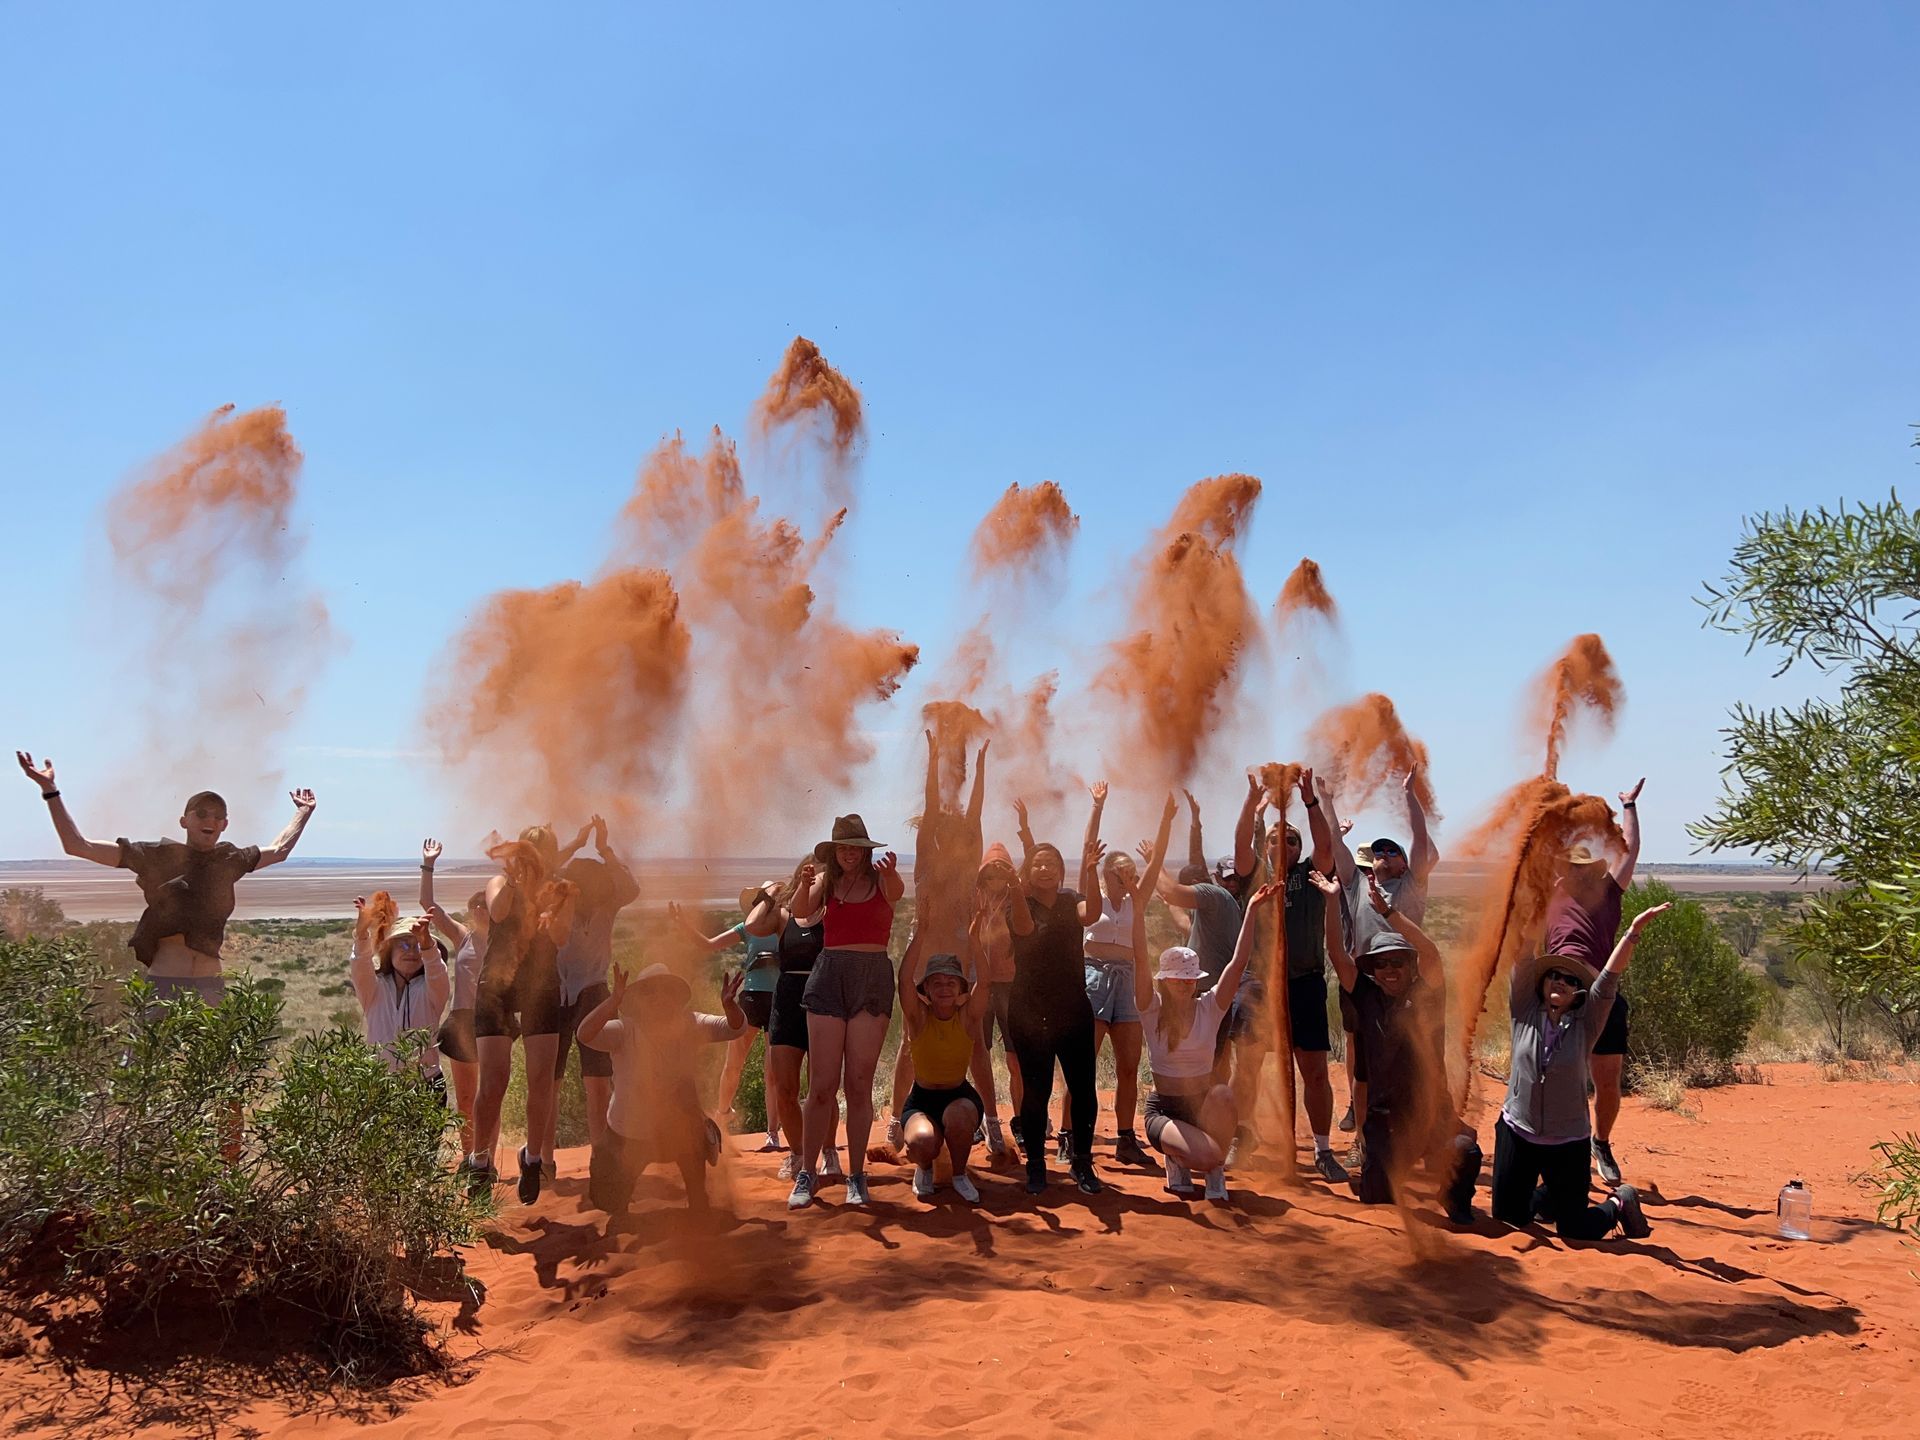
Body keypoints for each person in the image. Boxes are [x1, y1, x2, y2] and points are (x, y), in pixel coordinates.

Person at [16, 752, 316, 1001]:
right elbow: (77, 846)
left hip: (212, 987)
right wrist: (50, 790)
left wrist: (304, 812)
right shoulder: (155, 855)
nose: (209, 820)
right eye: (201, 813)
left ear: (225, 824)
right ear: (184, 820)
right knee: (142, 1067)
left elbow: (279, 849)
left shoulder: (229, 859)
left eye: (217, 815)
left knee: (220, 1068)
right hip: (164, 986)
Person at [1491, 901, 1670, 1241]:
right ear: (1543, 982)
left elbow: (1608, 981)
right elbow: (1523, 956)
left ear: (1578, 992)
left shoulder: (1586, 1025)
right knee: (1509, 1216)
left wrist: (1632, 933)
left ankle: (1619, 1203)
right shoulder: (1524, 1010)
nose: (1559, 981)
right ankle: (1548, 1198)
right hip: (1519, 1132)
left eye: (1570, 979)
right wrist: (1534, 912)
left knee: (1574, 1230)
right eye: (1554, 975)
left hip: (1567, 1140)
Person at [1132, 796, 1281, 1202]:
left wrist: (1251, 909)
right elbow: (1144, 953)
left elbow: (1237, 962)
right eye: (1176, 980)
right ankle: (1185, 1156)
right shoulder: (1154, 1011)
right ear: (1166, 982)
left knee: (1222, 1093)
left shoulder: (1208, 1006)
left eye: (1187, 980)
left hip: (1201, 1100)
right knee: (1207, 1150)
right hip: (1165, 1105)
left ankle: (1208, 1162)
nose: (1182, 985)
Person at [1312, 868, 1482, 1224]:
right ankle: (1383, 1172)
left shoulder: (1428, 996)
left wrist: (1390, 915)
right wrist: (1331, 902)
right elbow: (1337, 954)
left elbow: (1432, 953)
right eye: (1382, 963)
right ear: (1373, 969)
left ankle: (1454, 1199)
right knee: (1377, 1198)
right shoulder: (1367, 995)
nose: (1389, 969)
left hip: (1430, 1117)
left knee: (1464, 1153)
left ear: (1410, 966)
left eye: (1398, 962)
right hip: (1384, 1122)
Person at [1223, 768, 1348, 1181]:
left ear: (1298, 848)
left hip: (1305, 983)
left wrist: (1310, 800)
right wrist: (1251, 800)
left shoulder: (1311, 874)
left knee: (1313, 1070)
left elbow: (1326, 844)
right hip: (1260, 984)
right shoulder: (1256, 875)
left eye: (1290, 840)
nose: (1283, 844)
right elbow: (1242, 846)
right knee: (1249, 1066)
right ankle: (1244, 1135)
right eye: (1275, 838)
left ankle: (1322, 1149)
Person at [788, 814, 904, 1210]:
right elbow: (800, 911)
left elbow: (897, 892)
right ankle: (808, 1172)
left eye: (855, 847)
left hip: (871, 976)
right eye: (843, 847)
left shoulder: (880, 881)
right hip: (829, 974)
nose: (849, 853)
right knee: (821, 1085)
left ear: (866, 850)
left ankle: (857, 1176)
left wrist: (890, 874)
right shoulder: (826, 881)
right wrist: (805, 885)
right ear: (835, 852)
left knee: (858, 1084)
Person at [1319, 772, 1440, 1138]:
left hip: (1405, 979)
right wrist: (1325, 798)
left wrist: (1409, 795)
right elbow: (1335, 848)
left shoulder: (1411, 885)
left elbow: (1420, 839)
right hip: (1363, 976)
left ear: (1404, 864)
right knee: (1360, 1053)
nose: (1383, 855)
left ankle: (1415, 1128)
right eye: (1378, 851)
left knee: (1412, 1051)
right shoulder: (1356, 883)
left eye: (1392, 851)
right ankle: (1360, 1125)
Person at [576, 962, 746, 1218]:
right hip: (628, 1134)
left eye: (665, 990)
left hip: (675, 1133)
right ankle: (620, 1208)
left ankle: (698, 1200)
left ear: (675, 997)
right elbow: (585, 1034)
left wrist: (731, 1006)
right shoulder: (624, 1030)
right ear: (637, 1000)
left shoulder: (691, 1023)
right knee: (608, 1201)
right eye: (649, 992)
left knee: (692, 1130)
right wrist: (613, 1001)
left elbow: (736, 1028)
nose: (658, 998)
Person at [886, 732, 989, 1153]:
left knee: (974, 1038)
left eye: (956, 831)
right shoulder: (925, 860)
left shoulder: (971, 865)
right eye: (941, 830)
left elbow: (977, 813)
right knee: (911, 1042)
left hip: (962, 959)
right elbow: (929, 810)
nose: (949, 835)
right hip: (926, 956)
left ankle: (988, 1120)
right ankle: (897, 1121)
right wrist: (932, 757)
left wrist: (981, 769)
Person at [1539, 779, 1644, 1184]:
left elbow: (1630, 850)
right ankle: (1556, 1149)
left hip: (1600, 991)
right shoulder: (1547, 893)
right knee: (1557, 1077)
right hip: (1555, 992)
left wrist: (1629, 807)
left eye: (1581, 867)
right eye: (1569, 866)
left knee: (1607, 1080)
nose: (1574, 873)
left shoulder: (1609, 891)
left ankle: (1600, 1143)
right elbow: (1534, 849)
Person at [1007, 783, 1108, 1195]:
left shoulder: (1070, 901)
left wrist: (1094, 871)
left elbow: (1094, 912)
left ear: (1062, 872)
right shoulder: (1023, 906)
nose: (1045, 868)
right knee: (1036, 1090)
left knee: (1083, 1087)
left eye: (1052, 863)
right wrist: (1016, 888)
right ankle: (1035, 1165)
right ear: (1028, 873)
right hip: (1029, 1010)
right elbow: (1026, 931)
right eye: (1037, 864)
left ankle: (1082, 1163)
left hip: (1072, 1008)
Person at [469, 826, 577, 1203]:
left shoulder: (560, 890)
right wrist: (518, 883)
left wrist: (550, 908)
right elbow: (497, 911)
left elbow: (562, 936)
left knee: (541, 1079)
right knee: (494, 1081)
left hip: (541, 985)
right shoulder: (499, 882)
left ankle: (532, 1159)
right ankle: (479, 1160)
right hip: (497, 986)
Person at [549, 816, 642, 1169]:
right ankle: (543, 1157)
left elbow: (630, 888)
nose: (586, 887)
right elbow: (539, 874)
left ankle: (600, 1158)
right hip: (556, 993)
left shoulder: (607, 906)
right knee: (551, 1082)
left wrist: (604, 848)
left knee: (598, 1082)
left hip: (594, 993)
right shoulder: (555, 907)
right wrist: (574, 844)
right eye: (579, 881)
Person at [670, 880, 783, 1151]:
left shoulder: (785, 924)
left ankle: (772, 1132)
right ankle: (722, 1114)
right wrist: (684, 924)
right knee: (734, 1064)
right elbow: (709, 944)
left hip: (780, 999)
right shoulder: (748, 928)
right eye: (763, 898)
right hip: (752, 997)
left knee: (773, 1072)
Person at [896, 932, 995, 1203]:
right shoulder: (917, 1018)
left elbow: (985, 983)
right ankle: (925, 1169)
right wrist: (921, 931)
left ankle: (960, 1175)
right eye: (937, 982)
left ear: (961, 989)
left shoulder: (968, 1017)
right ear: (926, 989)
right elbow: (904, 980)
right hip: (922, 1099)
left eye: (951, 982)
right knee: (920, 1143)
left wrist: (975, 939)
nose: (944, 988)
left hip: (958, 1095)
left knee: (959, 1119)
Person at [763, 858, 841, 1183]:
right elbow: (753, 924)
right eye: (808, 869)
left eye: (820, 870)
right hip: (786, 1000)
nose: (814, 873)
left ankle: (829, 1151)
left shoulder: (834, 911)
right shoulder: (783, 916)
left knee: (821, 1088)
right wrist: (769, 895)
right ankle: (797, 1155)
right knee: (785, 1088)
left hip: (823, 998)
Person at [1078, 846, 1151, 1166]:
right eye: (1117, 873)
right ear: (1105, 875)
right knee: (1082, 1067)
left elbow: (1134, 950)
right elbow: (1090, 944)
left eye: (1129, 873)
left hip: (1127, 983)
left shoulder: (1138, 901)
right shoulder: (1095, 901)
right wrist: (1098, 805)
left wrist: (1166, 821)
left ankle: (1125, 1139)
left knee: (1129, 1067)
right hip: (1095, 979)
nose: (1124, 878)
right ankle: (1072, 1137)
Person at [420, 840, 487, 1156]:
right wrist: (428, 864)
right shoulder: (464, 936)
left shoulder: (509, 942)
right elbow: (427, 903)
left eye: (487, 905)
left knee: (488, 1094)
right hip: (462, 1021)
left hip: (491, 1022)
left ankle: (484, 1155)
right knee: (465, 1097)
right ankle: (469, 1157)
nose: (481, 910)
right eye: (477, 906)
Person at [348, 893, 452, 1085]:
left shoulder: (432, 991)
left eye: (418, 946)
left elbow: (437, 972)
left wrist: (427, 944)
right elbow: (360, 965)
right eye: (404, 945)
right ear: (390, 951)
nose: (412, 952)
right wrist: (362, 933)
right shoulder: (374, 988)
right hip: (381, 1084)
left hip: (426, 1083)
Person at [969, 843, 1018, 1157]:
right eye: (990, 871)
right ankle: (979, 1120)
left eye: (1002, 870)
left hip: (1012, 984)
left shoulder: (1018, 901)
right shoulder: (975, 899)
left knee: (1015, 1054)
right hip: (979, 984)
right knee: (978, 1052)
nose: (995, 877)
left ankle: (1025, 1120)